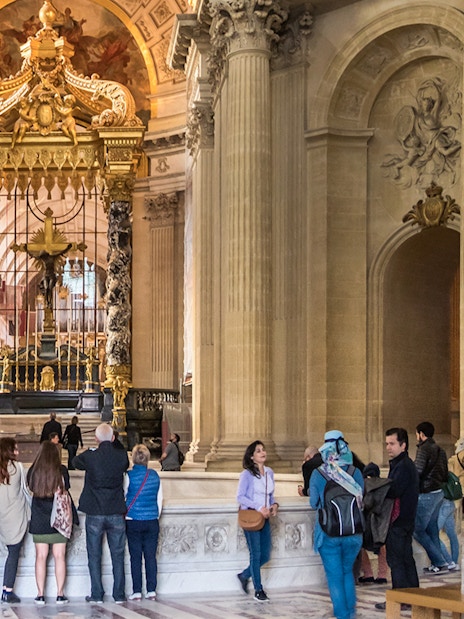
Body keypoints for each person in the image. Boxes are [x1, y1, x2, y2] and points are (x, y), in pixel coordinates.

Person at [310, 430, 364, 619]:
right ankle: (350, 612)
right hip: (354, 532)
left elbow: (314, 503)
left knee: (334, 576)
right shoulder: (355, 471)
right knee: (347, 571)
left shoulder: (318, 474)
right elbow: (361, 499)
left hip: (329, 532)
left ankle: (342, 615)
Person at [73, 423, 129, 603]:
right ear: (113, 438)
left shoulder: (90, 457)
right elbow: (125, 465)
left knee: (94, 554)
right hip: (115, 510)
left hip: (95, 511)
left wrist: (91, 450)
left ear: (96, 439)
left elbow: (74, 462)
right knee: (118, 554)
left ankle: (97, 594)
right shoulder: (121, 456)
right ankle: (119, 594)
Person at [375, 427, 419, 612]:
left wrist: (376, 482)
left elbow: (393, 491)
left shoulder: (403, 466)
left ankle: (400, 599)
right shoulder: (402, 464)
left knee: (397, 560)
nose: (388, 447)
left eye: (392, 443)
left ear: (403, 445)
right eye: (387, 443)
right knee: (406, 559)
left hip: (399, 521)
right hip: (405, 520)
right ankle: (412, 597)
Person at [27, 441, 70, 605]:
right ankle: (60, 594)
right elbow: (67, 490)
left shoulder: (33, 471)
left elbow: (30, 488)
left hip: (39, 518)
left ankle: (40, 594)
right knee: (60, 557)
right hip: (58, 519)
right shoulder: (62, 471)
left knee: (40, 557)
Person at [237, 440, 279, 602]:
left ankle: (244, 575)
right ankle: (258, 589)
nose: (263, 453)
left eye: (263, 449)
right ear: (252, 457)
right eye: (258, 451)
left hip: (265, 517)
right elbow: (240, 497)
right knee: (255, 554)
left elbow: (270, 495)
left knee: (265, 554)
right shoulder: (246, 474)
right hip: (251, 516)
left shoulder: (269, 472)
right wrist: (258, 507)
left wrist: (274, 505)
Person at [124, 444, 163, 601]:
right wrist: (154, 515)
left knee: (135, 557)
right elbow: (160, 499)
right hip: (152, 520)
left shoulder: (128, 476)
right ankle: (152, 589)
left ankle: (137, 590)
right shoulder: (154, 475)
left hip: (133, 520)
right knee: (150, 556)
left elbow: (124, 496)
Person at [414, 421, 449, 573]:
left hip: (427, 493)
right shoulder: (440, 450)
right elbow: (445, 473)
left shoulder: (424, 449)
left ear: (421, 434)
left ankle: (439, 561)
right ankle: (439, 563)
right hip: (438, 492)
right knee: (432, 529)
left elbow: (418, 471)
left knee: (417, 530)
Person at [0, 438, 30, 604]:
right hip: (16, 516)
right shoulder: (18, 468)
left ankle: (6, 589)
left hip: (1, 515)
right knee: (13, 554)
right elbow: (26, 490)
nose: (18, 452)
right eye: (15, 449)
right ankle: (7, 590)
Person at [358, 462, 391, 585]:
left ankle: (368, 573)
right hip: (383, 521)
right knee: (382, 546)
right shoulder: (387, 484)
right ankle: (382, 575)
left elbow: (366, 503)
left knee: (360, 546)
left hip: (368, 521)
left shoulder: (365, 484)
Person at [437, 497, 459, 571]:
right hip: (450, 504)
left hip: (442, 504)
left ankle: (449, 562)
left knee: (434, 535)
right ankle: (455, 562)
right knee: (452, 534)